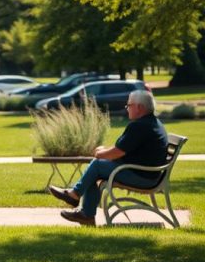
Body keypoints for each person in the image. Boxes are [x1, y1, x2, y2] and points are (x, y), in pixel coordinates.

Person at [49, 90, 170, 226]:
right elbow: (123, 148)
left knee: (97, 165)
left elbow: (117, 153)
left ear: (139, 107)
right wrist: (105, 151)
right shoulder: (151, 122)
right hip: (145, 173)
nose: (127, 108)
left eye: (129, 105)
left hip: (143, 177)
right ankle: (84, 211)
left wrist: (100, 154)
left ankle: (77, 199)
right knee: (95, 169)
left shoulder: (140, 126)